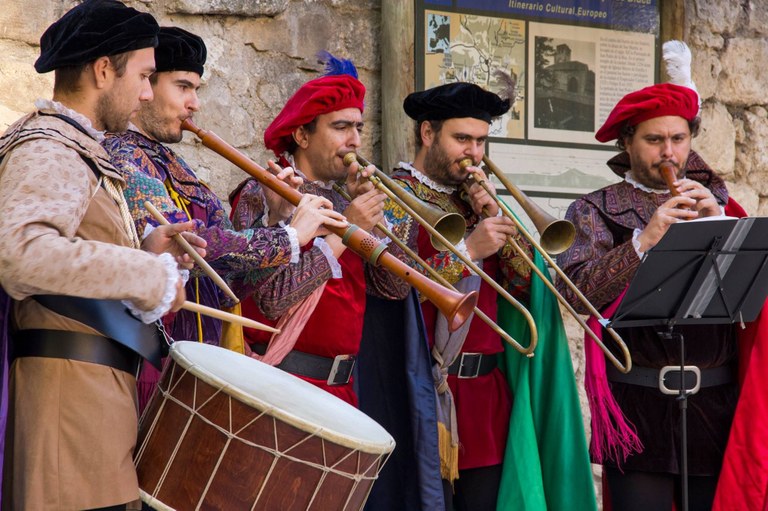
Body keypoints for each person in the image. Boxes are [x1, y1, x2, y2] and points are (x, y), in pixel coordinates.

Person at [0, 1, 202, 509]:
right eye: (143, 75)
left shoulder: (74, 146)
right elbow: (21, 253)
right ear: (103, 69)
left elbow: (69, 254)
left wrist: (144, 250)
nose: (145, 92)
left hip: (91, 401)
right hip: (67, 409)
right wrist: (145, 273)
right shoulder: (50, 146)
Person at [103, 27, 345, 407]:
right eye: (183, 86)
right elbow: (189, 246)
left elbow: (229, 283)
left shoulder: (176, 164)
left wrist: (276, 220)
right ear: (147, 84)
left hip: (197, 367)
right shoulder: (121, 153)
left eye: (196, 89)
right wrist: (289, 238)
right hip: (150, 365)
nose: (194, 103)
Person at [385, 82, 595, 511]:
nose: (475, 153)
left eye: (481, 140)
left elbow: (524, 288)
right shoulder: (394, 194)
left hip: (487, 398)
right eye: (462, 138)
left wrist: (496, 216)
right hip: (422, 390)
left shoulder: (476, 198)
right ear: (428, 134)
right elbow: (395, 291)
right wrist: (470, 252)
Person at [555, 82, 744, 510]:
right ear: (627, 142)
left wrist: (720, 225)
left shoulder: (715, 203)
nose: (668, 153)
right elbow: (576, 293)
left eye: (678, 139)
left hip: (716, 405)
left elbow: (746, 305)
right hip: (637, 406)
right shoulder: (592, 209)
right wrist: (645, 241)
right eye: (654, 140)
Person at [229, 53, 410, 406]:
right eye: (341, 127)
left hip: (341, 390)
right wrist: (346, 233)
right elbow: (271, 300)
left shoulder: (346, 202)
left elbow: (394, 288)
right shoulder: (262, 191)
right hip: (280, 384)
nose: (355, 141)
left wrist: (376, 221)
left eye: (358, 127)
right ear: (302, 135)